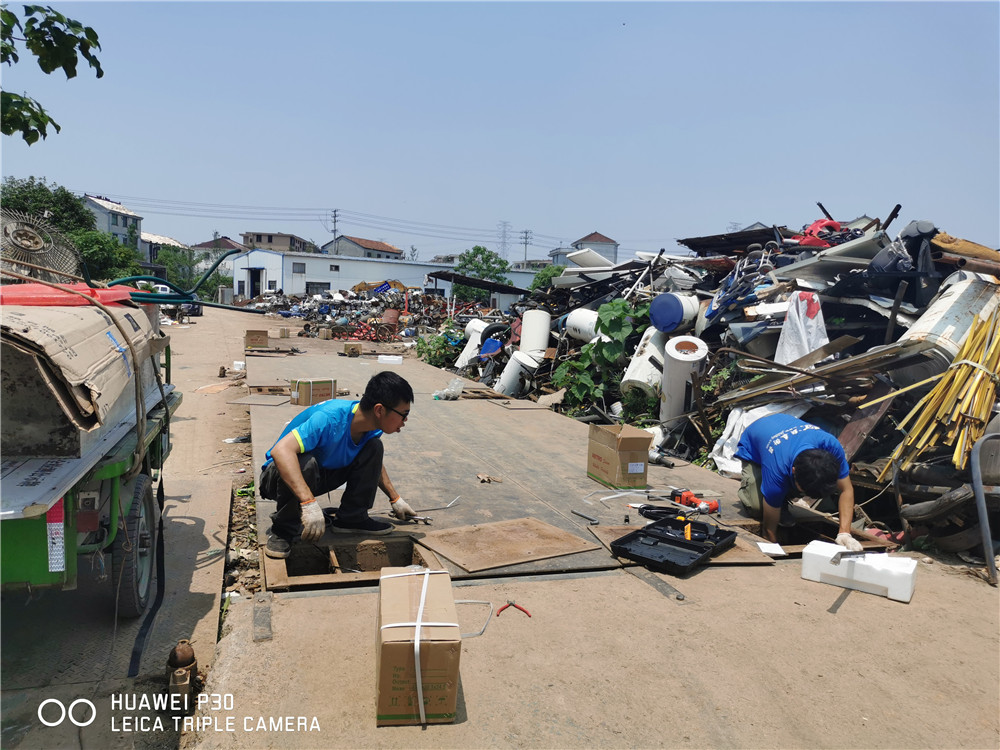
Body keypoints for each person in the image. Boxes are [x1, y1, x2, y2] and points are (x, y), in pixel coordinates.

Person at [259, 371, 417, 559]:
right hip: (277, 479)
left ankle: (352, 518)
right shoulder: (329, 418)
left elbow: (374, 463)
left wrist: (395, 498)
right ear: (379, 410)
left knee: (374, 447)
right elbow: (281, 451)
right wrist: (309, 504)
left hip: (319, 476)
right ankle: (283, 530)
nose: (405, 421)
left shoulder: (371, 427)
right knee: (305, 462)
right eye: (403, 414)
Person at [734, 413, 863, 551]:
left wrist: (844, 533)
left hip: (783, 426)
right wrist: (773, 549)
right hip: (754, 446)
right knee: (758, 508)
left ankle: (781, 501)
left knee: (785, 492)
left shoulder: (832, 448)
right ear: (794, 471)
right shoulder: (778, 468)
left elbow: (846, 489)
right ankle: (778, 501)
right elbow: (768, 530)